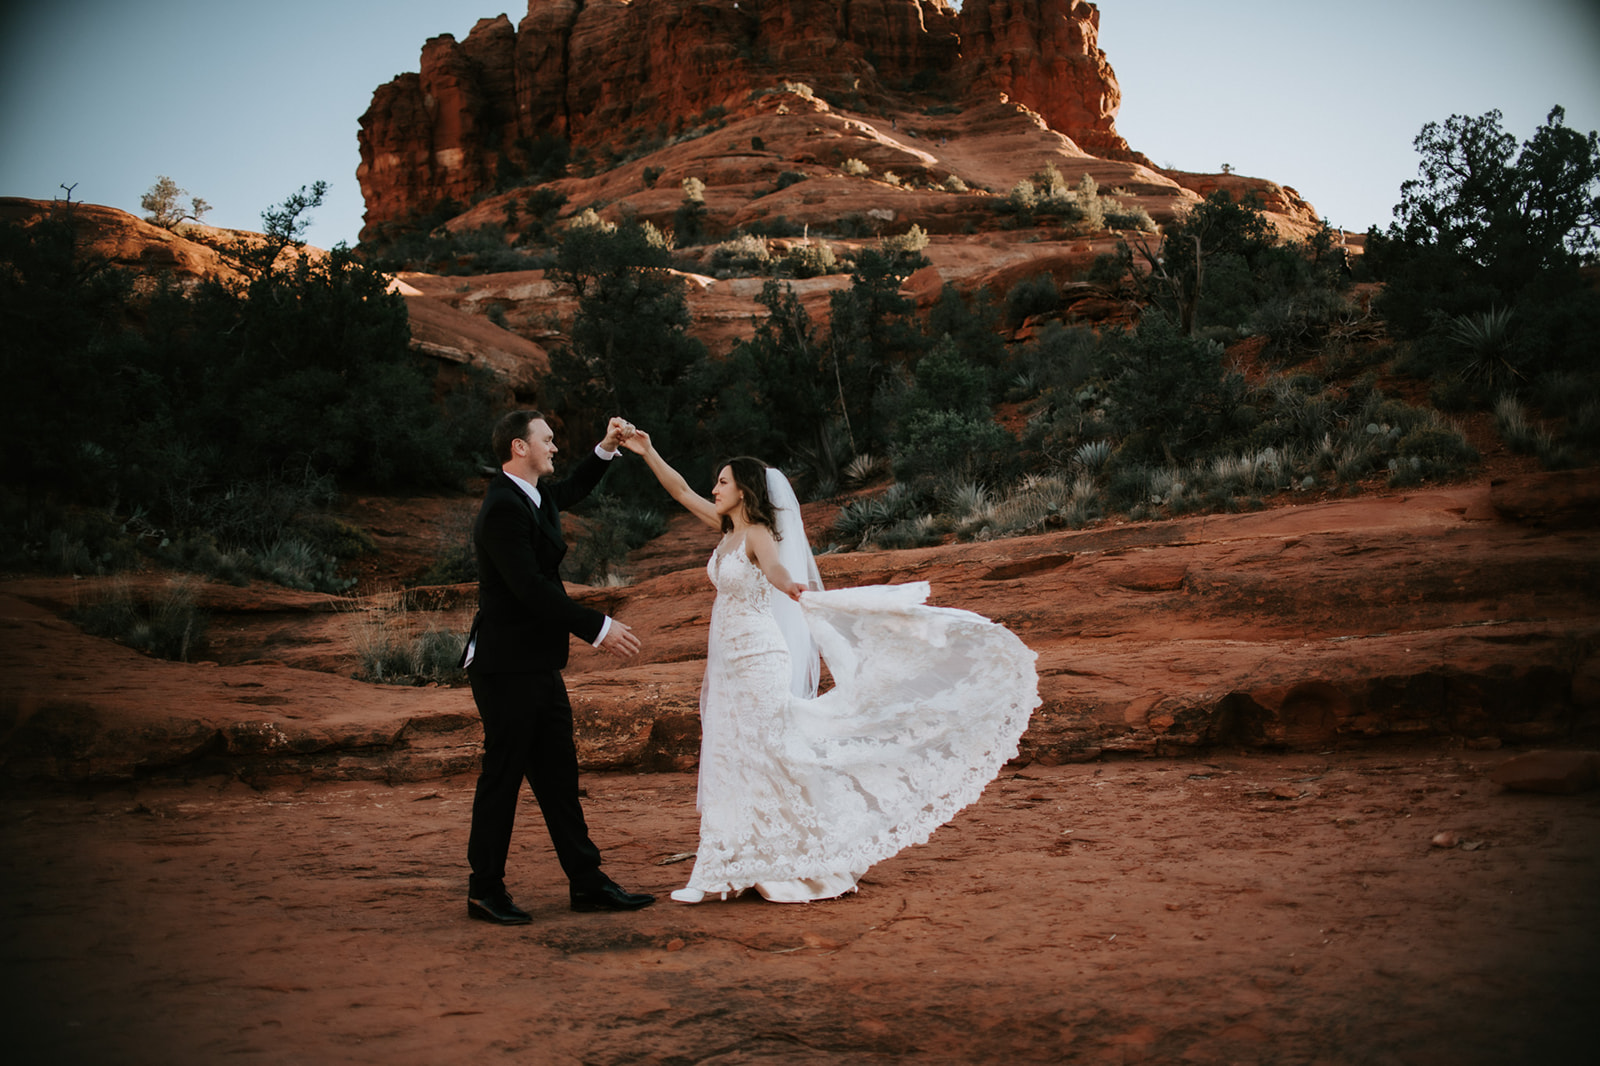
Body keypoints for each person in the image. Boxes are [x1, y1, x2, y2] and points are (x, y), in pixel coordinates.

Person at [620, 430, 1040, 904]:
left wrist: (794, 588)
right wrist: (647, 451)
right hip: (728, 663)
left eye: (722, 482)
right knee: (728, 755)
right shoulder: (724, 529)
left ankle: (792, 857)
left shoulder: (757, 533)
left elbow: (776, 570)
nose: (714, 489)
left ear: (745, 490)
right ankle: (718, 868)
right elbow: (678, 491)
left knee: (767, 752)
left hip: (760, 656)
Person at [459, 410, 655, 924]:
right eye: (546, 440)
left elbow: (572, 489)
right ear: (519, 448)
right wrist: (597, 627)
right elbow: (530, 589)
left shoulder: (532, 495)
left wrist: (608, 446)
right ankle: (484, 890)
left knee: (558, 776)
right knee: (503, 776)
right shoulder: (502, 509)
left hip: (536, 663)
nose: (554, 447)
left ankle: (587, 883)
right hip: (504, 667)